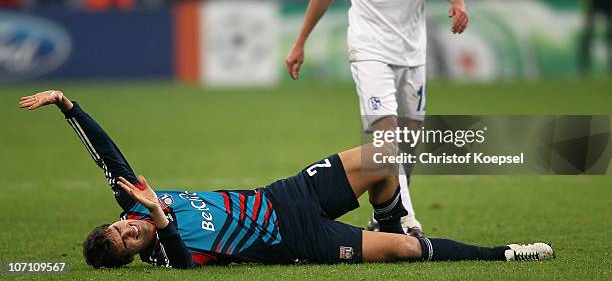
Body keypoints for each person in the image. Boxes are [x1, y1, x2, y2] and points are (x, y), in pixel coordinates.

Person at [19, 89, 554, 269]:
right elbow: (186, 266)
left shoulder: (137, 202)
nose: (130, 231)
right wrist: (161, 222)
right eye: (127, 243)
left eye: (121, 228)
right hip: (298, 240)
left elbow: (107, 155)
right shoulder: (166, 255)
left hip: (285, 194)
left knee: (384, 155)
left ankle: (390, 211)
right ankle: (504, 253)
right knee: (408, 254)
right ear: (132, 256)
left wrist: (69, 106)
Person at [286, 0, 469, 234]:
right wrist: (300, 41)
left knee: (409, 139)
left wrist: (458, 2)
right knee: (387, 135)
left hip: (412, 48)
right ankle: (406, 219)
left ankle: (384, 213)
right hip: (368, 47)